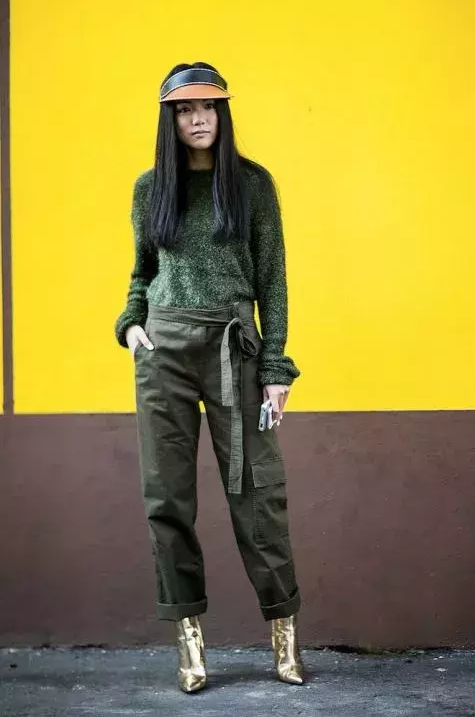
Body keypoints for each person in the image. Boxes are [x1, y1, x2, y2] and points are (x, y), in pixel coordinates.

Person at [114, 61, 304, 693]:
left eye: (208, 107)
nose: (197, 119)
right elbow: (142, 271)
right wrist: (131, 323)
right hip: (163, 349)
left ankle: (284, 634)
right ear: (169, 120)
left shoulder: (253, 184)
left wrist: (275, 365)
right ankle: (190, 644)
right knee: (167, 497)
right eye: (184, 110)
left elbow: (273, 279)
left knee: (259, 494)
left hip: (234, 346)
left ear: (222, 112)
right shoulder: (150, 188)